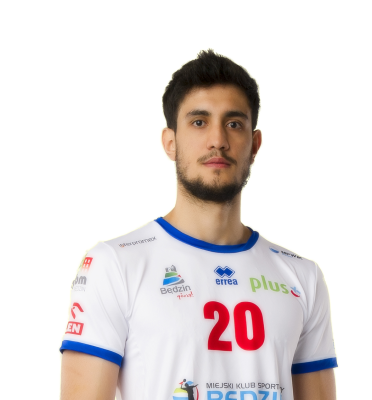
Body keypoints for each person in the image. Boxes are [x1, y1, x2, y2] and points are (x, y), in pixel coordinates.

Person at [59, 47, 339, 400]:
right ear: (170, 143)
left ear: (255, 144)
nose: (218, 140)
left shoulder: (303, 275)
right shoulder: (113, 263)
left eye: (233, 124)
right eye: (199, 122)